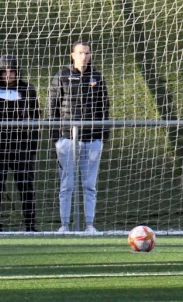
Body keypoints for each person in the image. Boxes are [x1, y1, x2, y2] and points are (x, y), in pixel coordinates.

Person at [47, 40, 110, 234]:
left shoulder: (97, 77)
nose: (84, 57)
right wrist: (56, 137)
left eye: (87, 53)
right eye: (81, 53)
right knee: (67, 184)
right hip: (67, 139)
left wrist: (102, 137)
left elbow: (104, 108)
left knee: (89, 185)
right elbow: (52, 107)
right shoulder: (61, 76)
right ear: (72, 55)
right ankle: (64, 225)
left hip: (91, 139)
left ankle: (89, 225)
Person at [0, 54, 40, 232]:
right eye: (5, 72)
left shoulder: (28, 89)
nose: (9, 76)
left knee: (26, 187)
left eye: (12, 72)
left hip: (20, 147)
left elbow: (35, 118)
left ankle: (30, 226)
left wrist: (31, 147)